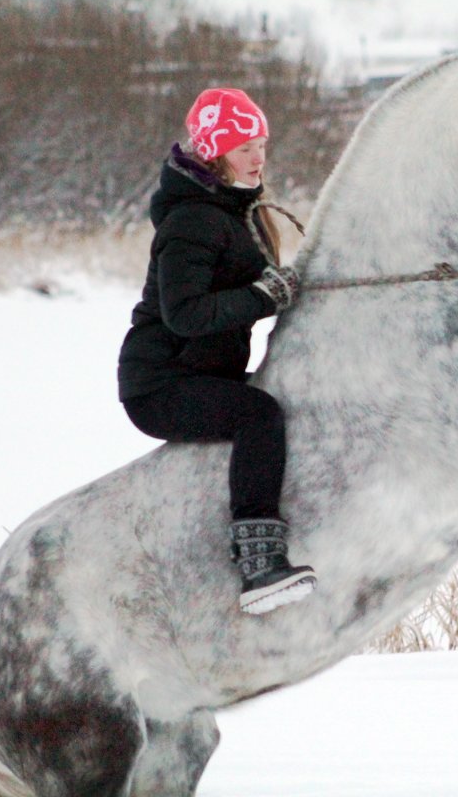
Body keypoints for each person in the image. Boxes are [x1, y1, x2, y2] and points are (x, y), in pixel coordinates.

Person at [118, 88, 316, 615]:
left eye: (261, 144)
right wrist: (261, 297)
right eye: (245, 147)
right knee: (259, 414)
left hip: (204, 372)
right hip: (160, 384)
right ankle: (259, 565)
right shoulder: (193, 220)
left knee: (284, 397)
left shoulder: (235, 212)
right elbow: (185, 314)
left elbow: (251, 294)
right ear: (215, 153)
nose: (259, 157)